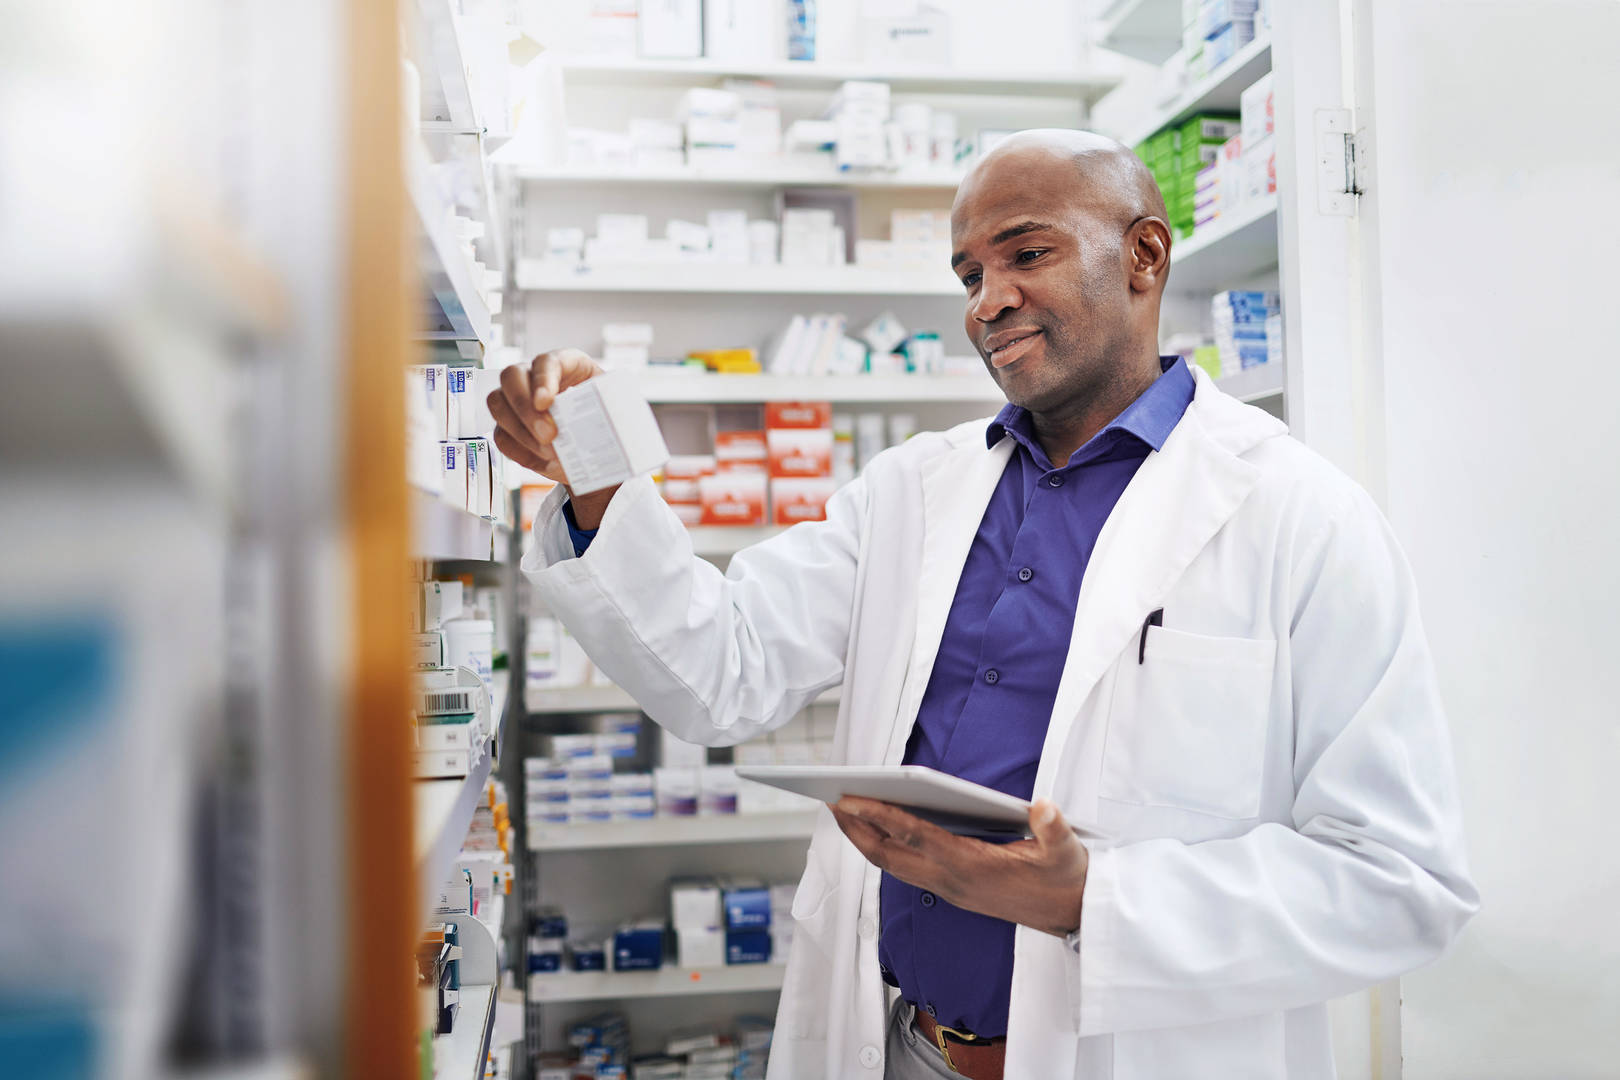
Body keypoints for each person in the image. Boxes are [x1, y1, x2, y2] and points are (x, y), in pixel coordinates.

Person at [490, 130, 1478, 1080]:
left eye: (1027, 253)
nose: (988, 301)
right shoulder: (912, 491)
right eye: (969, 274)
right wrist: (598, 481)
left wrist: (1092, 900)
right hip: (902, 1045)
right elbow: (721, 674)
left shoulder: (1302, 517)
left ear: (1143, 255)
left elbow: (1398, 881)